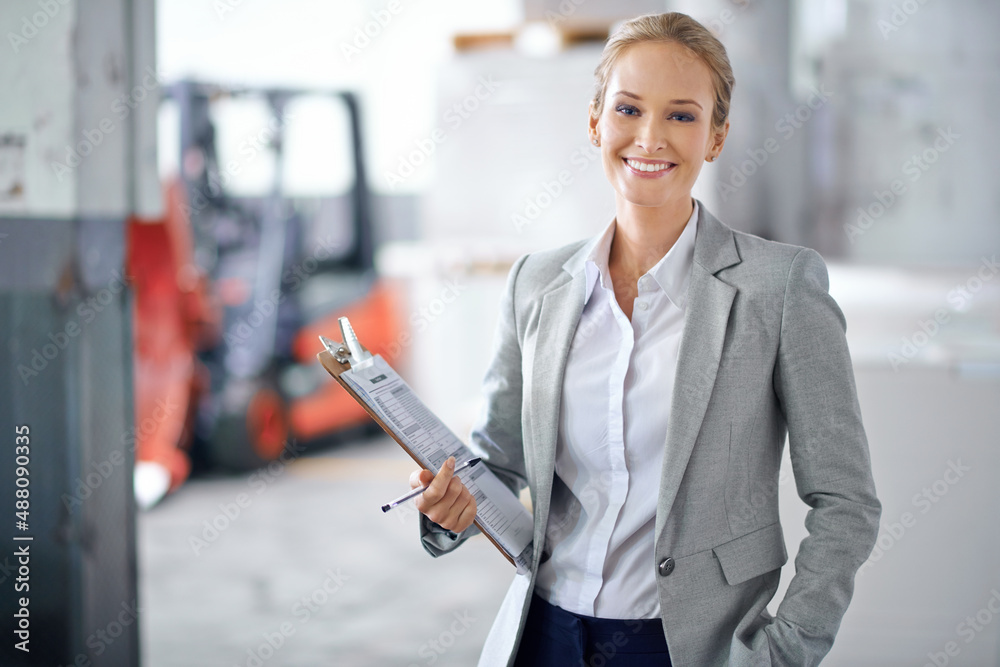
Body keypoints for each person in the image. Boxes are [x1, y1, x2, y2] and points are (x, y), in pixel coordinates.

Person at [409, 12, 880, 667]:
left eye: (682, 116)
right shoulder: (537, 282)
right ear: (596, 120)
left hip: (688, 643)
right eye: (629, 108)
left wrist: (783, 650)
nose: (650, 137)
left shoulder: (780, 288)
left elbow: (846, 501)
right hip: (544, 633)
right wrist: (446, 504)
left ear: (716, 137)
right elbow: (499, 462)